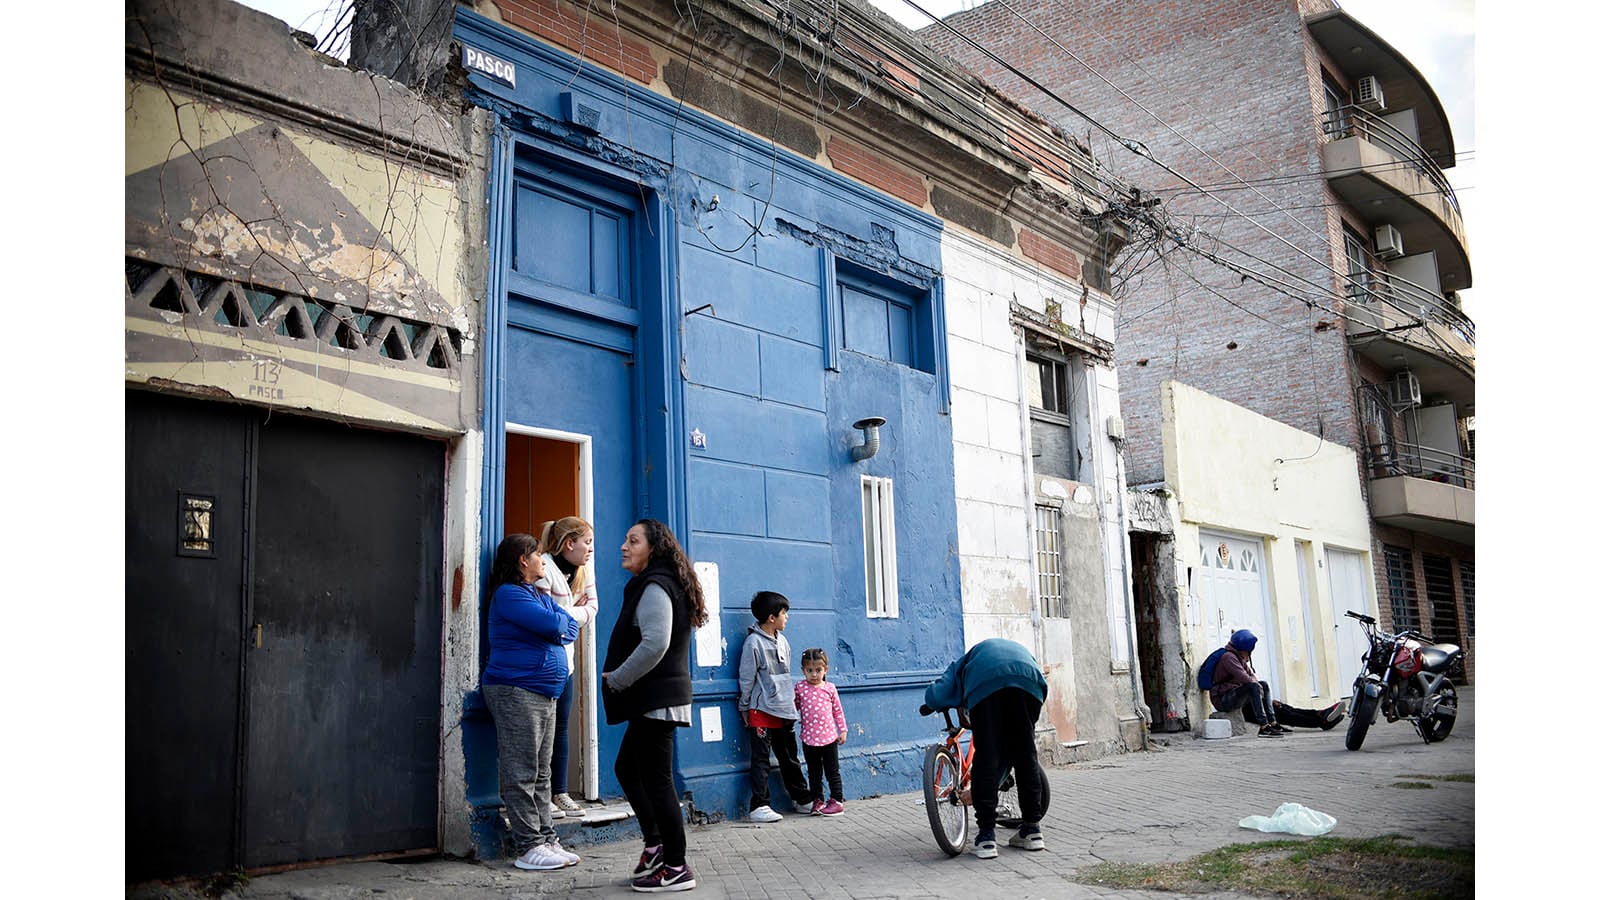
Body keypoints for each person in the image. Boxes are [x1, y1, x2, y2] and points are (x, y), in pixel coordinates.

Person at [602, 519, 708, 893]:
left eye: (633, 541)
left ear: (653, 549)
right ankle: (656, 845)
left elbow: (654, 644)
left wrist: (618, 678)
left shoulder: (655, 586)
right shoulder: (661, 582)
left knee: (658, 781)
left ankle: (676, 865)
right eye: (626, 539)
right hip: (656, 698)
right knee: (627, 768)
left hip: (656, 699)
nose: (624, 546)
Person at [481, 533, 594, 871]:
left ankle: (546, 838)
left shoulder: (535, 594)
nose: (543, 561)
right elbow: (556, 623)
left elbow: (566, 624)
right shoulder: (509, 595)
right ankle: (528, 846)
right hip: (516, 690)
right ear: (522, 561)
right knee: (522, 771)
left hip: (543, 692)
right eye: (538, 556)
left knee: (541, 772)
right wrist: (560, 624)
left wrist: (560, 624)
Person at [920, 638, 1048, 860]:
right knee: (1025, 754)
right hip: (1030, 683)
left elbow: (937, 694)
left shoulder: (964, 662)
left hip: (987, 686)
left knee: (986, 757)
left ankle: (987, 836)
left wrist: (929, 704)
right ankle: (1032, 830)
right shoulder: (1006, 649)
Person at [536, 517, 599, 820]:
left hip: (568, 662)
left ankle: (560, 792)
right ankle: (541, 794)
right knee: (542, 728)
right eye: (587, 542)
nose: (591, 549)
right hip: (544, 661)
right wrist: (574, 612)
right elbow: (545, 614)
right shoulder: (544, 568)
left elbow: (593, 608)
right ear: (569, 543)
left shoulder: (584, 571)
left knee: (561, 726)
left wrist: (565, 615)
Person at [736, 591, 812, 823]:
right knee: (761, 760)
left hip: (784, 708)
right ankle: (759, 805)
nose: (786, 617)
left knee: (789, 757)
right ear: (771, 617)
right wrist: (745, 707)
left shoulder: (783, 641)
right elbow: (746, 679)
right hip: (761, 710)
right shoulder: (753, 643)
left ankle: (801, 799)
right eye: (783, 613)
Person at [1207, 630, 1344, 735]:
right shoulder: (1228, 658)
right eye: (1249, 652)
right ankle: (1265, 726)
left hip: (1242, 699)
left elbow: (1253, 677)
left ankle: (1320, 715)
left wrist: (1268, 700)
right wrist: (1262, 697)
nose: (1249, 655)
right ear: (1244, 649)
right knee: (1282, 712)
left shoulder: (1239, 657)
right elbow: (1246, 680)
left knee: (1280, 706)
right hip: (1225, 700)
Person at [794, 647, 848, 817]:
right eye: (809, 670)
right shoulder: (800, 688)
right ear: (803, 670)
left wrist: (843, 730)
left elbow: (837, 711)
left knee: (832, 771)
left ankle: (837, 800)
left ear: (826, 669)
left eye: (818, 670)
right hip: (809, 739)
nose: (814, 674)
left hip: (829, 738)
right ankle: (817, 800)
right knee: (814, 772)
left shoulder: (830, 688)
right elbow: (794, 706)